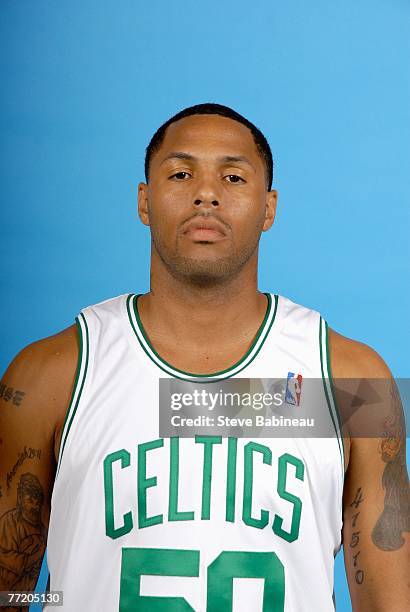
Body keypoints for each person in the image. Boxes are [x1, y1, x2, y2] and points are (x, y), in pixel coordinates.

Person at [0, 103, 408, 611]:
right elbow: (9, 590)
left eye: (234, 176)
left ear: (269, 208)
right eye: (181, 173)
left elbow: (390, 604)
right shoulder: (51, 374)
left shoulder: (351, 381)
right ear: (144, 201)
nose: (206, 192)